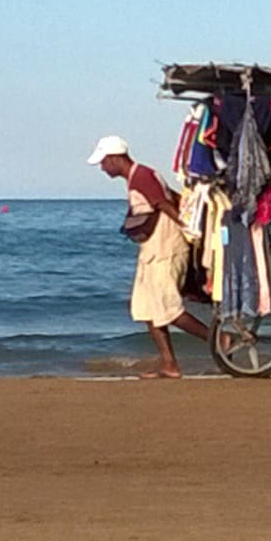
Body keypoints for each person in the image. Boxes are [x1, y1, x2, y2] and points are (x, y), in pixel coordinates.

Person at [88, 135, 210, 378]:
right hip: (152, 250)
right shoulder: (137, 177)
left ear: (114, 159)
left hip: (166, 248)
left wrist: (187, 228)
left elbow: (164, 204)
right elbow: (171, 197)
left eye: (103, 162)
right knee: (146, 307)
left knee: (169, 308)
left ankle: (219, 340)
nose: (102, 168)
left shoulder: (142, 176)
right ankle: (168, 363)